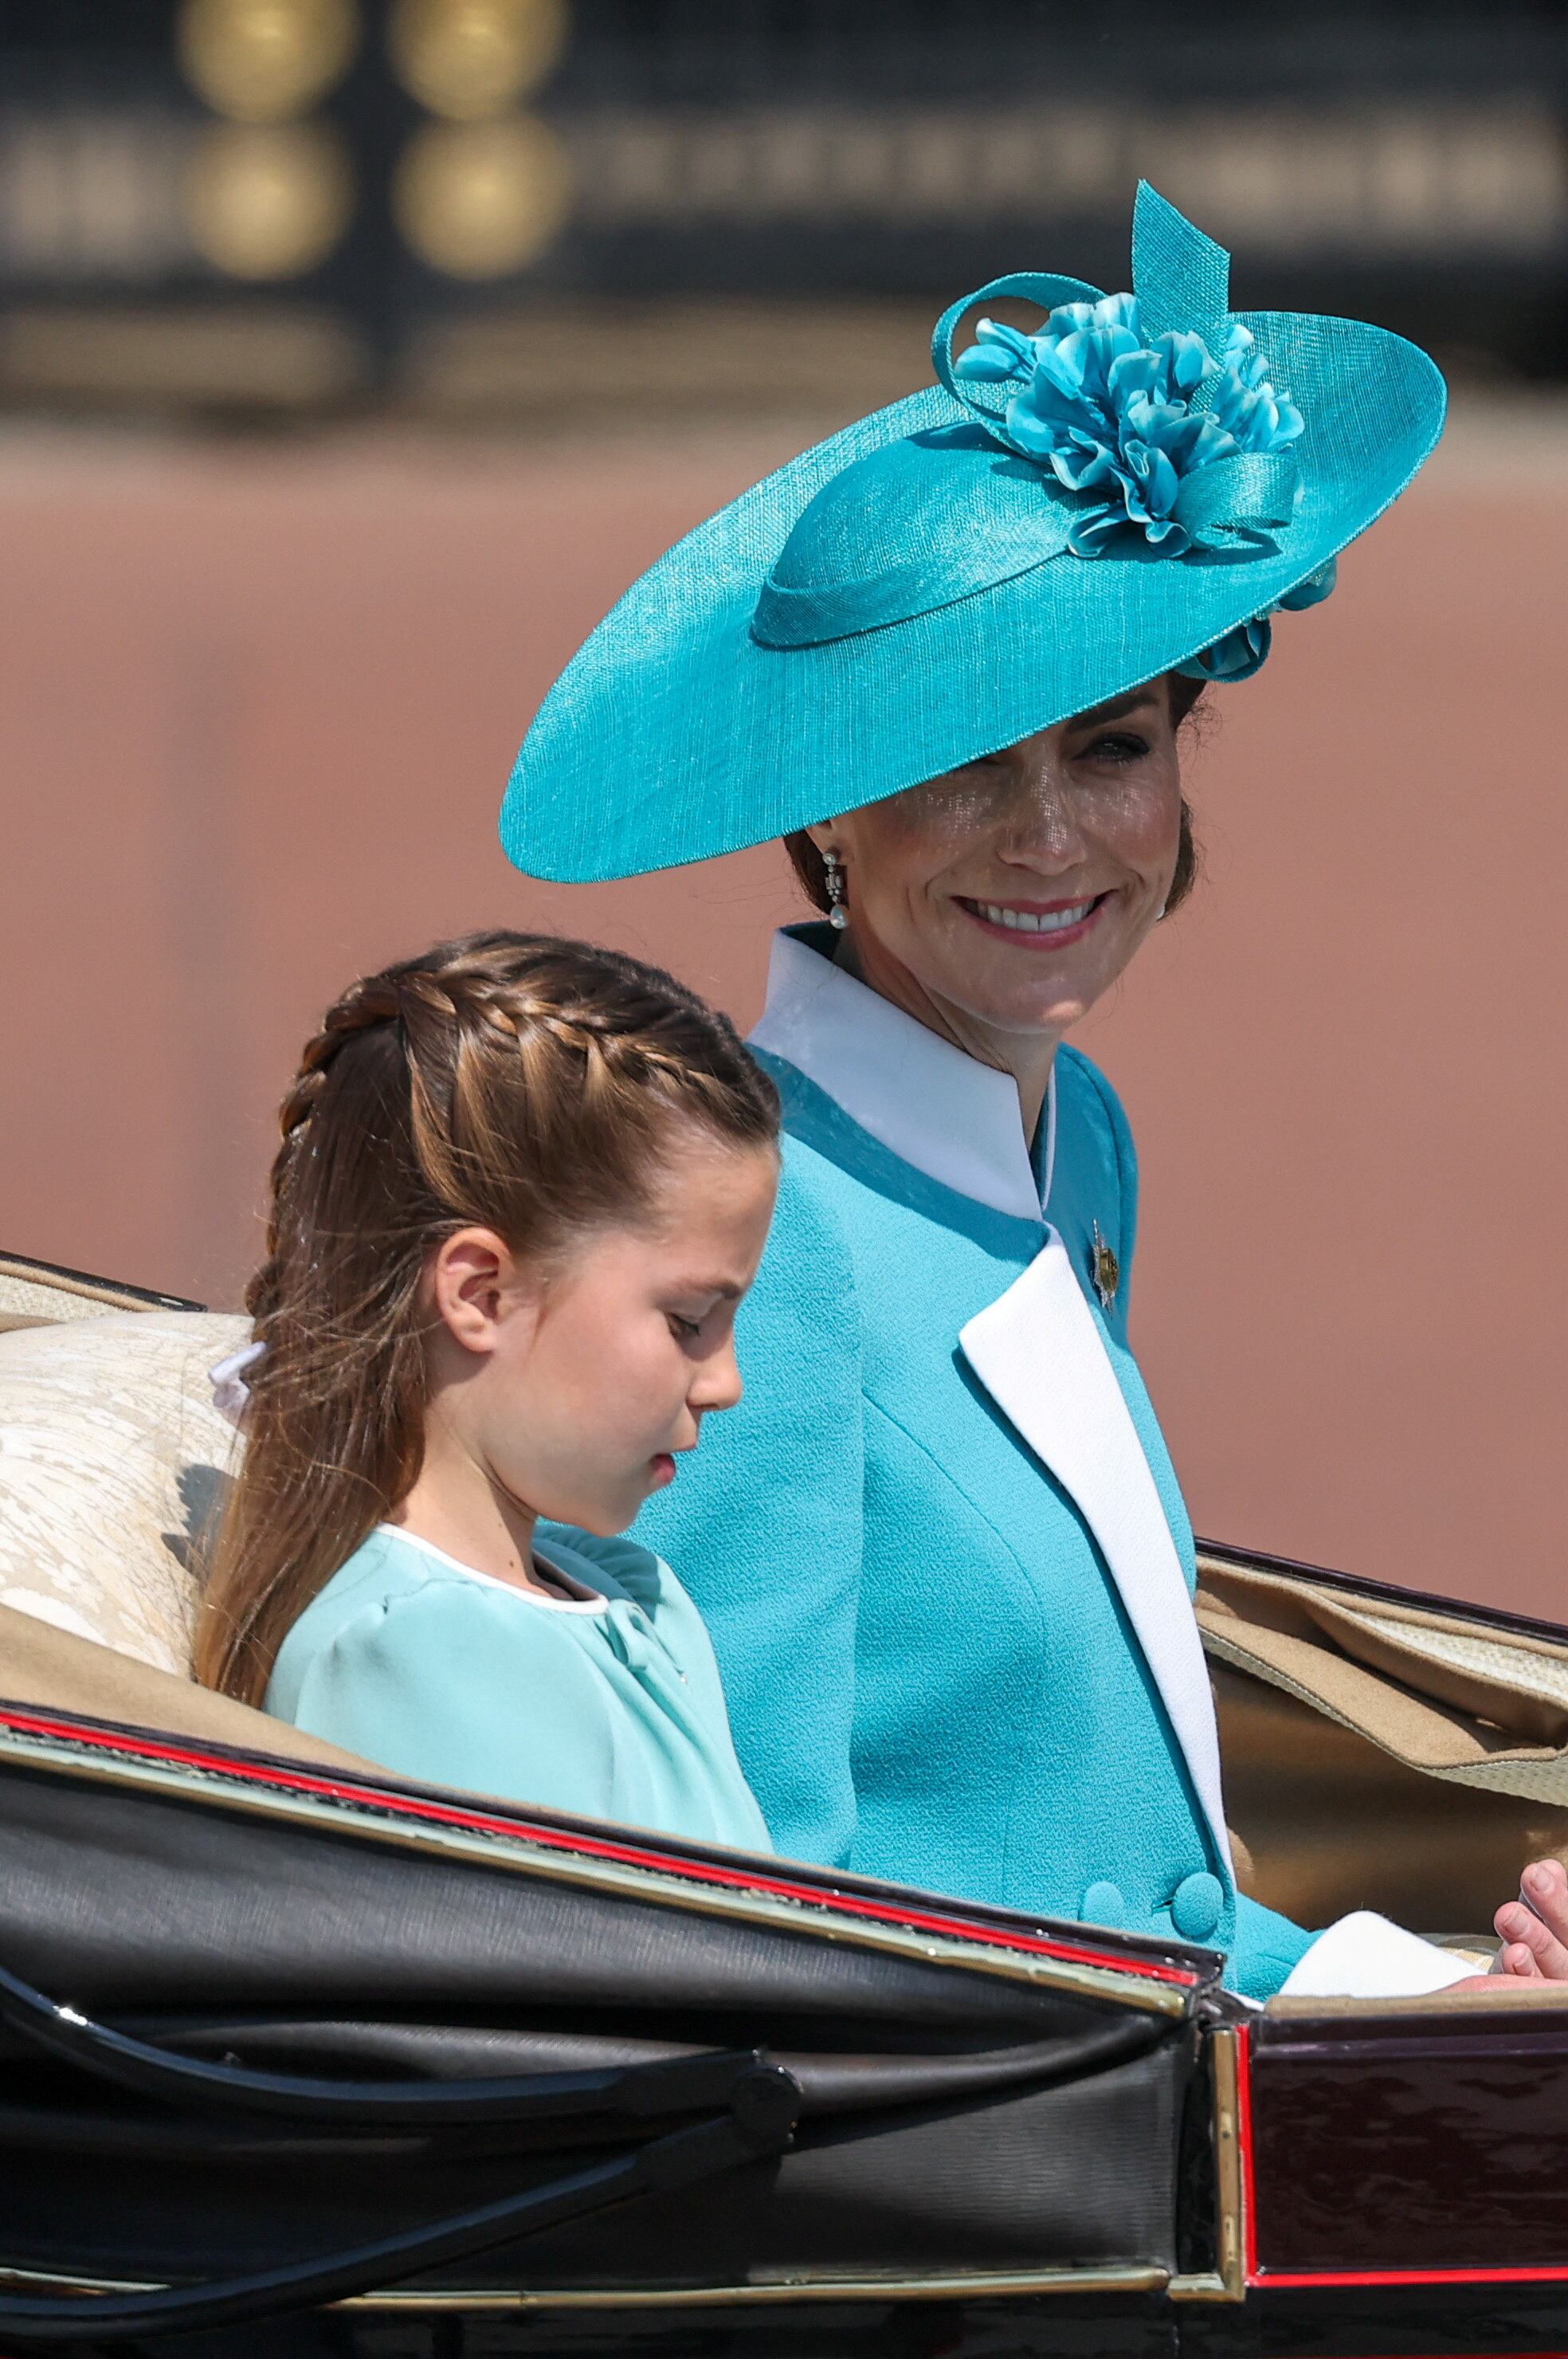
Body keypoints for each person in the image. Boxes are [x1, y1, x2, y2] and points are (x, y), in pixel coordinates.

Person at [498, 184, 1568, 1997]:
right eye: (959, 766)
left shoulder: (1081, 1145)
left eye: (1114, 746)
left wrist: (1445, 1996)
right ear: (828, 805)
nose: (1053, 832)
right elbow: (741, 1902)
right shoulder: (758, 1232)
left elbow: (1111, 1861)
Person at [194, 930, 777, 1851]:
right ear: (480, 1293)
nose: (727, 1381)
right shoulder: (412, 1656)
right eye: (688, 1319)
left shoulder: (627, 1591)